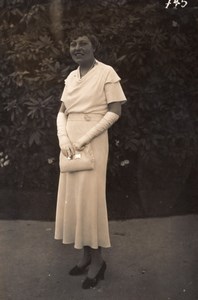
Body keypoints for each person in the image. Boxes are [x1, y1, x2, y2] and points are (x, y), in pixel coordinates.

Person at [54, 29, 126, 289]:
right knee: (74, 201)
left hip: (93, 140)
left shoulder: (106, 72)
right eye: (73, 44)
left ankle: (98, 262)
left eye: (83, 43)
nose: (77, 47)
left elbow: (114, 111)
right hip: (69, 144)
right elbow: (62, 112)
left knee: (90, 201)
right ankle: (85, 256)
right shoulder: (71, 77)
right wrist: (64, 139)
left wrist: (84, 139)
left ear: (94, 47)